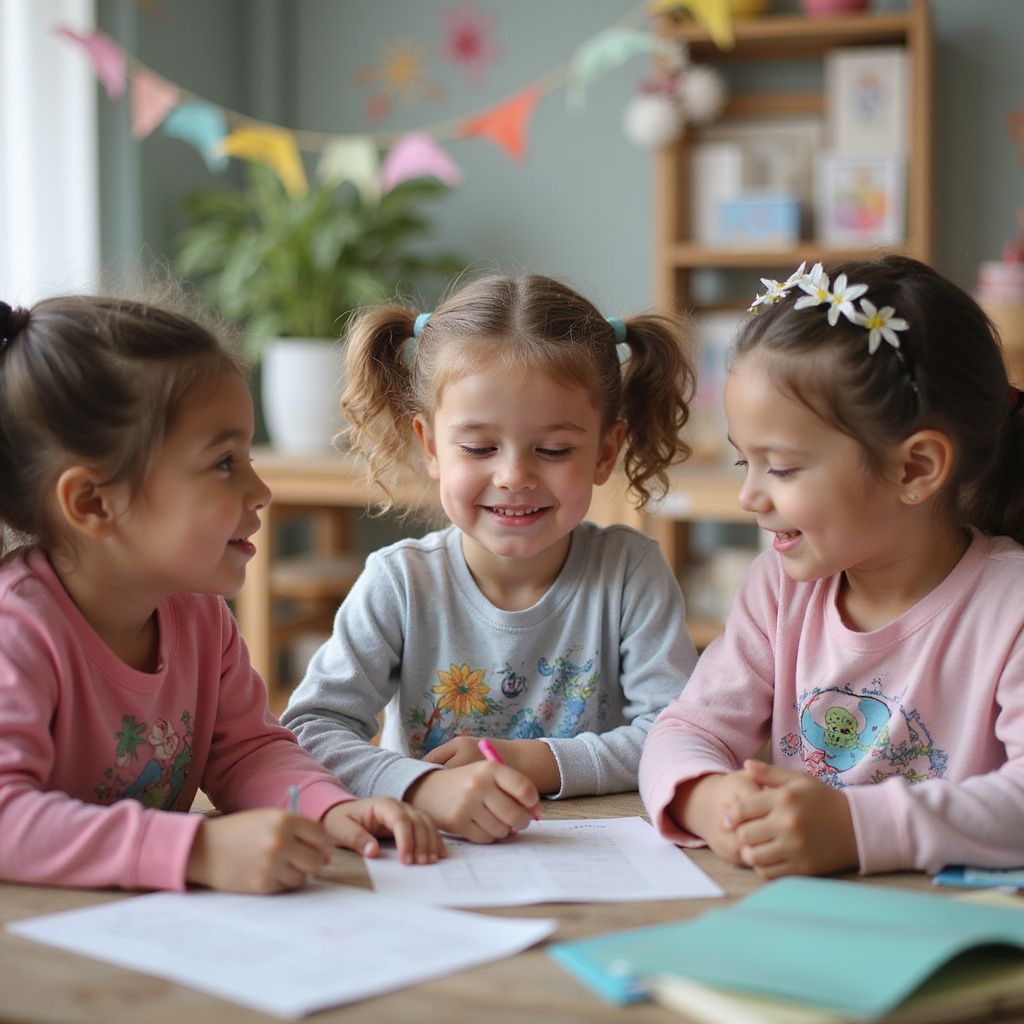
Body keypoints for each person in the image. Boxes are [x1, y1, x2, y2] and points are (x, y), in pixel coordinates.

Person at [0, 295, 443, 893]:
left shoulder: (197, 615)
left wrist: (327, 807)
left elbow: (246, 752)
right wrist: (196, 849)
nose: (259, 490)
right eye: (223, 463)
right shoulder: (17, 634)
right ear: (93, 503)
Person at [640, 255, 1024, 879]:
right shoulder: (778, 590)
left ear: (915, 469)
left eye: (783, 468)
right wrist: (706, 797)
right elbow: (687, 726)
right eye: (746, 463)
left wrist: (856, 829)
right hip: (801, 919)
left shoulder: (1010, 606)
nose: (750, 497)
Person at [282, 273, 699, 842]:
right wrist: (418, 787)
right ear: (430, 447)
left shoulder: (630, 573)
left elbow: (680, 732)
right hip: (425, 854)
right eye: (479, 448)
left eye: (553, 450)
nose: (514, 477)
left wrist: (536, 762)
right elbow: (310, 729)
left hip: (585, 851)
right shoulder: (401, 581)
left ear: (605, 452)